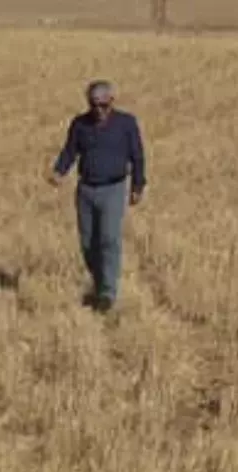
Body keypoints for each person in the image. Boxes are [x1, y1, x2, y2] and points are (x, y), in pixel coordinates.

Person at [47, 80, 146, 313]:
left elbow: (138, 156)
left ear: (112, 102)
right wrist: (59, 171)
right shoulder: (79, 125)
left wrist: (138, 186)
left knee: (109, 240)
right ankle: (99, 281)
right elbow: (70, 150)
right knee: (88, 242)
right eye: (94, 105)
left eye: (103, 105)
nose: (99, 110)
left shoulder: (126, 124)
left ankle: (107, 293)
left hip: (113, 188)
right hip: (86, 190)